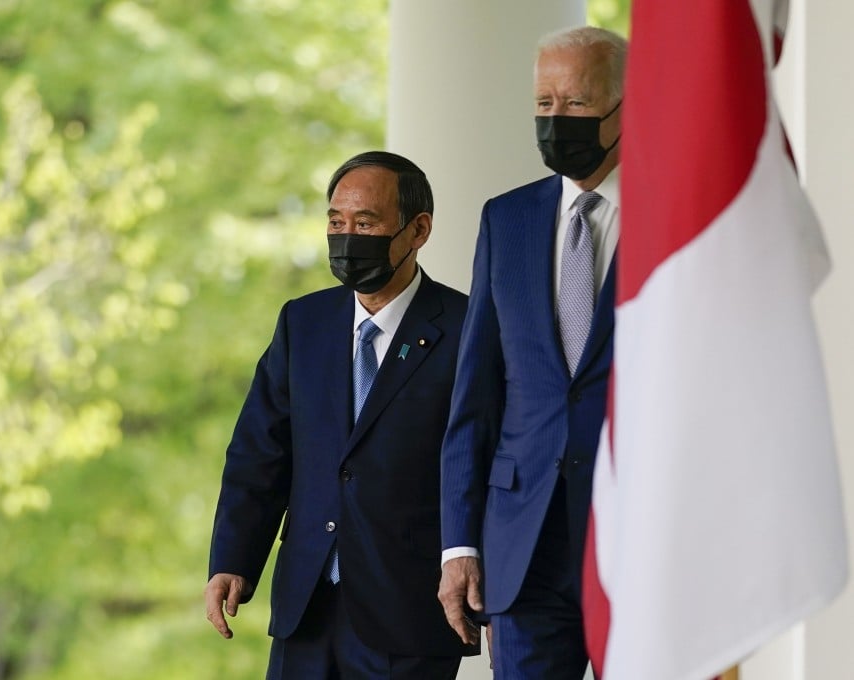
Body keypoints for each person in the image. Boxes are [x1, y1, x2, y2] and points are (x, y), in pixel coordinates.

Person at [206, 151, 475, 679]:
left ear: (418, 230)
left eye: (366, 223)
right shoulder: (302, 323)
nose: (347, 237)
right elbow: (260, 453)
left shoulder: (468, 328)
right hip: (306, 609)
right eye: (336, 222)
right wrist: (233, 559)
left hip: (410, 613)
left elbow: (480, 459)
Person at [437, 26, 627, 679]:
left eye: (576, 102)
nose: (556, 119)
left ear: (626, 105)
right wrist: (459, 545)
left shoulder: (673, 220)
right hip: (522, 547)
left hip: (641, 535)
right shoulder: (506, 219)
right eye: (544, 103)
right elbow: (475, 397)